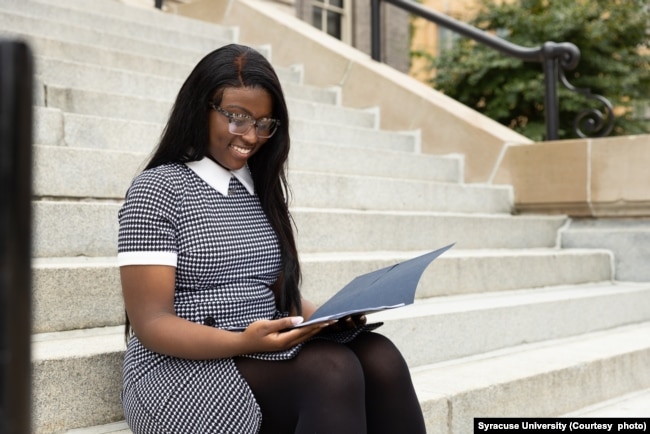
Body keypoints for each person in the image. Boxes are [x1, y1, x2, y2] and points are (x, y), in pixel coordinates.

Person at [118, 43, 426, 434]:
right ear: (200, 108)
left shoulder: (257, 188)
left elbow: (278, 294)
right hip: (180, 367)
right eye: (237, 118)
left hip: (262, 345)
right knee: (332, 371)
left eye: (264, 123)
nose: (252, 135)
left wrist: (329, 317)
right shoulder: (158, 189)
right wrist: (243, 343)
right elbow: (152, 322)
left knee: (381, 357)